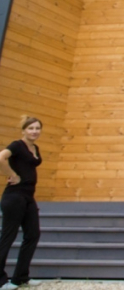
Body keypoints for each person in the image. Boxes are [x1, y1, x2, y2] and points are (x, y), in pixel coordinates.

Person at [0, 116, 43, 289]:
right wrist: (11, 174)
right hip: (14, 196)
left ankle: (21, 277)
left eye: (37, 128)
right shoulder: (17, 145)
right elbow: (1, 157)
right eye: (31, 128)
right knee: (8, 237)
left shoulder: (35, 147)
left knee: (33, 234)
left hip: (28, 196)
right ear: (23, 130)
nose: (34, 131)